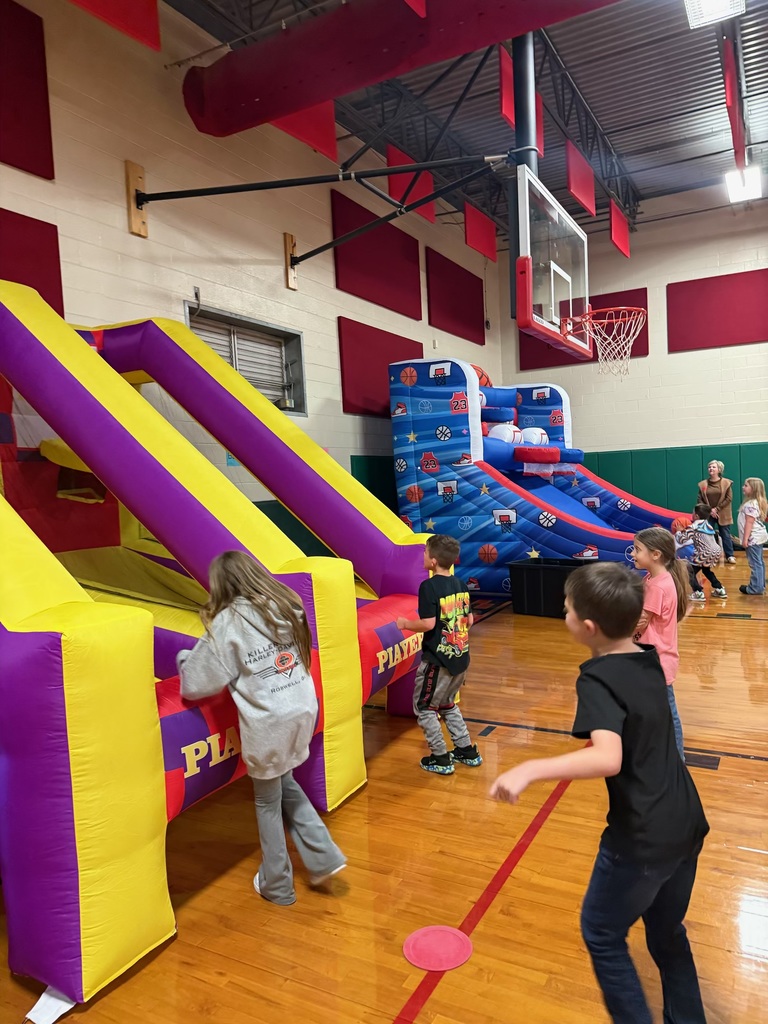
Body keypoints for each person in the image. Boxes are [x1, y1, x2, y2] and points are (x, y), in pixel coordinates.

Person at [490, 562, 709, 1024]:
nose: (563, 613)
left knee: (602, 932)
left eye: (566, 609)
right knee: (667, 933)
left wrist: (531, 767)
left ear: (586, 628)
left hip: (643, 837)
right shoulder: (649, 659)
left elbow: (607, 756)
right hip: (686, 820)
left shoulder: (597, 677)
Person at [177, 550, 346, 906]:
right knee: (285, 782)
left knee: (267, 800)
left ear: (222, 584)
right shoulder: (285, 605)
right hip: (302, 707)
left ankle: (277, 884)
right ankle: (324, 857)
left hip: (271, 721)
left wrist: (182, 660)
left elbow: (196, 684)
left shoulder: (228, 622)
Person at [396, 534, 482, 774]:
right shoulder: (461, 584)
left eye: (425, 553)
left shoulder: (429, 587)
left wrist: (405, 624)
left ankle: (440, 757)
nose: (423, 556)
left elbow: (428, 624)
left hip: (437, 661)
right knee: (447, 703)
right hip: (461, 658)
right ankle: (466, 750)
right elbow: (471, 620)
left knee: (424, 707)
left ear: (432, 561)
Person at [632, 528, 689, 759]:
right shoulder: (655, 579)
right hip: (651, 657)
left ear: (655, 555)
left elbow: (640, 621)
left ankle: (677, 759)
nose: (633, 554)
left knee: (667, 711)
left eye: (637, 550)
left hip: (656, 659)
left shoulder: (658, 585)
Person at [677, 503, 727, 601]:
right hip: (716, 551)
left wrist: (679, 531)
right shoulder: (709, 525)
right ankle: (720, 589)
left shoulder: (693, 526)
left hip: (704, 552)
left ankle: (698, 592)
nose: (691, 514)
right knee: (706, 570)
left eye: (692, 513)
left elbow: (681, 540)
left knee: (688, 572)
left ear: (696, 516)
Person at [697, 460, 735, 562]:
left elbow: (729, 498)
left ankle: (730, 555)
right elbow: (700, 499)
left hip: (723, 513)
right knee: (707, 534)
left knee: (725, 535)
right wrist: (709, 510)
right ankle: (709, 554)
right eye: (709, 467)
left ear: (719, 470)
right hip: (708, 514)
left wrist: (717, 509)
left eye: (713, 467)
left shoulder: (727, 483)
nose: (711, 469)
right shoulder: (703, 484)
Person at [738, 477, 768, 596]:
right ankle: (760, 585)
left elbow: (749, 523)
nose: (743, 487)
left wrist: (745, 539)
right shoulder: (758, 502)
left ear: (753, 489)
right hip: (758, 536)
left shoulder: (751, 504)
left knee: (755, 563)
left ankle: (755, 588)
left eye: (746, 485)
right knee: (759, 562)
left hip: (753, 538)